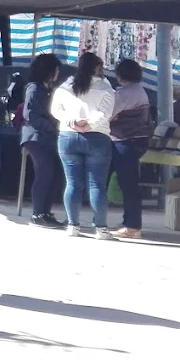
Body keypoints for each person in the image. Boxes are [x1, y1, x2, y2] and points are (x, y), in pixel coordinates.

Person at [52, 52, 116, 239]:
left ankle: (73, 225)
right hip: (97, 138)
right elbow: (105, 113)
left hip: (68, 136)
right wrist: (89, 125)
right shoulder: (106, 88)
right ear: (97, 67)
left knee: (72, 183)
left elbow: (56, 109)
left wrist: (72, 122)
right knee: (96, 185)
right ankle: (101, 229)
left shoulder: (65, 86)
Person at [21, 54, 64, 229]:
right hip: (36, 137)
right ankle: (37, 213)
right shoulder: (34, 88)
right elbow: (29, 114)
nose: (58, 73)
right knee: (44, 174)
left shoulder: (48, 89)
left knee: (54, 176)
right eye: (56, 69)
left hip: (47, 138)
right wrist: (51, 126)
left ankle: (45, 212)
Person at [109, 59, 151, 239]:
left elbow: (108, 114)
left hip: (125, 140)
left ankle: (133, 226)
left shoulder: (123, 94)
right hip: (138, 140)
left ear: (120, 75)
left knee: (128, 185)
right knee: (129, 184)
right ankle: (130, 222)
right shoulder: (140, 91)